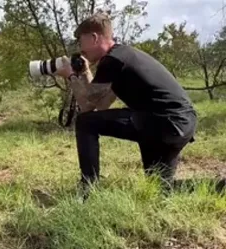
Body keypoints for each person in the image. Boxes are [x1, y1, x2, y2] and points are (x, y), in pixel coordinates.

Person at [56, 13, 197, 189]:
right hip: (178, 124)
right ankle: (220, 186)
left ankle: (88, 188)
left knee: (85, 122)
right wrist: (84, 72)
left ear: (93, 38)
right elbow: (101, 103)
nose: (80, 48)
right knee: (159, 188)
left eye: (80, 41)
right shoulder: (122, 57)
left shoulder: (112, 60)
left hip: (163, 122)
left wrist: (70, 76)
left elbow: (86, 107)